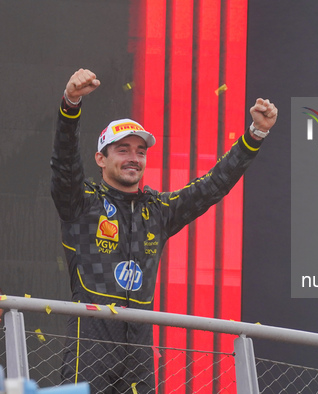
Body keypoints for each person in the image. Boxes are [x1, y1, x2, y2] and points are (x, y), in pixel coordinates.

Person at [51, 69, 277, 393]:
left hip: (140, 345)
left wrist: (254, 134)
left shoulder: (156, 209)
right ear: (100, 159)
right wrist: (70, 105)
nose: (133, 158)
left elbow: (213, 185)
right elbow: (64, 164)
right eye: (123, 150)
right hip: (90, 340)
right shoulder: (82, 201)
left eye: (140, 151)